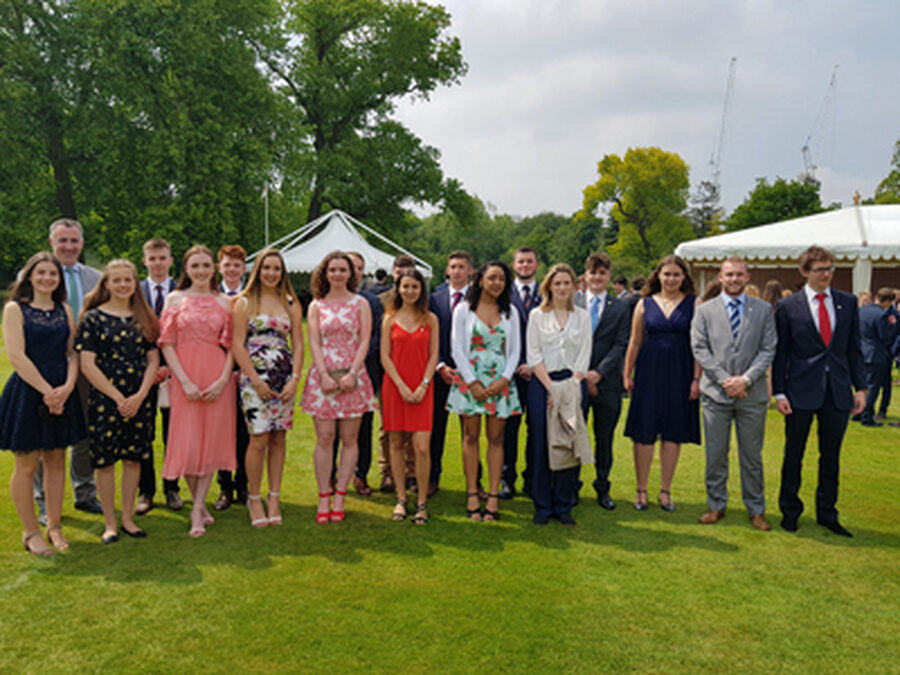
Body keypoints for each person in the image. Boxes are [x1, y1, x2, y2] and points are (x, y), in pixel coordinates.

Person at [773, 245, 867, 537]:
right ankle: (790, 511)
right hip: (800, 389)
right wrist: (779, 392)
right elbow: (781, 353)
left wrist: (861, 387)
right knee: (794, 454)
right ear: (804, 272)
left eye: (829, 268)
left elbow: (854, 349)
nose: (826, 274)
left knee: (831, 455)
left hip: (837, 390)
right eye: (819, 269)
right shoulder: (789, 307)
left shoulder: (848, 302)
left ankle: (827, 512)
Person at [1, 252, 85, 555]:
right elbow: (16, 356)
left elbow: (71, 352)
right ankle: (30, 531)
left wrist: (67, 387)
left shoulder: (64, 309)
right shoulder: (15, 309)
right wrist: (47, 391)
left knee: (56, 460)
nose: (48, 278)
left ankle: (54, 525)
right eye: (42, 273)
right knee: (26, 464)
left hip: (62, 389)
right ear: (30, 277)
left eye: (53, 274)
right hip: (29, 392)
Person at [76, 260, 160, 543]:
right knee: (106, 462)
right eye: (117, 280)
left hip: (139, 400)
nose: (124, 285)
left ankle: (128, 519)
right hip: (105, 400)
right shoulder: (92, 318)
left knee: (134, 459)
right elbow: (87, 364)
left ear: (135, 283)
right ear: (107, 283)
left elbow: (153, 360)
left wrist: (139, 396)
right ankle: (110, 523)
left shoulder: (145, 317)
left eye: (129, 280)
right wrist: (118, 397)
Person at [690, 257, 777, 531]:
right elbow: (700, 348)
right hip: (716, 394)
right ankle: (716, 505)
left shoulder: (763, 310)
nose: (734, 279)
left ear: (747, 276)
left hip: (752, 394)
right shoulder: (704, 310)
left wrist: (747, 379)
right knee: (716, 454)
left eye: (739, 275)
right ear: (720, 277)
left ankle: (756, 509)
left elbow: (768, 348)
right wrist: (726, 379)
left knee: (752, 455)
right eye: (729, 275)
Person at [158, 245, 237, 537]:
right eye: (195, 266)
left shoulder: (225, 302)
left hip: (217, 376)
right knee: (189, 442)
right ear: (186, 269)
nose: (201, 271)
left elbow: (231, 347)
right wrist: (185, 381)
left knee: (210, 441)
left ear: (213, 268)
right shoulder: (174, 299)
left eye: (206, 265)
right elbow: (166, 342)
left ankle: (196, 509)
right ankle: (199, 504)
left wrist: (222, 380)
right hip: (184, 376)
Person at [301, 251, 377, 523]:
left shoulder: (360, 304)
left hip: (353, 377)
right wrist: (323, 375)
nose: (337, 274)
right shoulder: (316, 305)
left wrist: (353, 374)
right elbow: (315, 343)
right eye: (332, 270)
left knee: (350, 439)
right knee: (324, 438)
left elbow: (365, 341)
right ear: (325, 273)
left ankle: (341, 496)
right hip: (324, 378)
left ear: (351, 273)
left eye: (342, 270)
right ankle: (324, 495)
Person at [34, 219, 102, 522]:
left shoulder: (96, 279)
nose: (68, 246)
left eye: (74, 241)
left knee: (86, 431)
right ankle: (44, 500)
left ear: (82, 244)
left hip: (88, 367)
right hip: (47, 368)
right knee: (44, 434)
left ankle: (85, 492)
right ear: (51, 243)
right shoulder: (35, 275)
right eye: (62, 241)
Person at [232, 250, 304, 527]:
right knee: (258, 438)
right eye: (267, 268)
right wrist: (256, 380)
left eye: (277, 268)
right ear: (258, 271)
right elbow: (237, 345)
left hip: (284, 377)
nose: (272, 273)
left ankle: (274, 496)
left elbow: (298, 344)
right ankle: (253, 497)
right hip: (254, 380)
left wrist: (295, 378)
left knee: (278, 439)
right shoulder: (245, 302)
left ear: (282, 272)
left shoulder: (290, 302)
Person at [623, 255, 700, 512]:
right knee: (644, 432)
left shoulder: (695, 303)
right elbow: (634, 342)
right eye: (666, 274)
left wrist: (696, 378)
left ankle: (665, 491)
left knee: (673, 433)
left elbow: (699, 346)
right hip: (648, 373)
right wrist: (627, 374)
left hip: (681, 373)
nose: (671, 279)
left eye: (676, 275)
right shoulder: (644, 304)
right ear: (658, 276)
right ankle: (641, 491)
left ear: (684, 277)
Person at [447, 261, 523, 521]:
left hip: (499, 382)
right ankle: (471, 493)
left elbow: (514, 351)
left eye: (501, 279)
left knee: (497, 439)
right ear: (480, 280)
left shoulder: (511, 311)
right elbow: (456, 348)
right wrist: (472, 382)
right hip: (471, 381)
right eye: (492, 278)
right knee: (470, 436)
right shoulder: (463, 310)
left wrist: (504, 380)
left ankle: (492, 496)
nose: (497, 283)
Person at [526, 263, 592, 525]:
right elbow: (533, 354)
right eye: (558, 283)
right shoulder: (536, 316)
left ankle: (564, 505)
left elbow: (585, 354)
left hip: (574, 383)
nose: (563, 288)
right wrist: (551, 388)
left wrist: (571, 387)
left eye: (567, 283)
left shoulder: (583, 317)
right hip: (543, 384)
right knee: (543, 443)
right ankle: (542, 505)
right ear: (549, 287)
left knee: (568, 442)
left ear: (574, 286)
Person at [381, 269, 439, 524]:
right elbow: (385, 356)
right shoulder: (388, 320)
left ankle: (422, 502)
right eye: (405, 286)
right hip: (395, 388)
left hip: (422, 388)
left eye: (415, 287)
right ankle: (401, 499)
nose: (410, 291)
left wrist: (424, 384)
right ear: (398, 288)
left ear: (421, 289)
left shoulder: (431, 319)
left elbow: (434, 355)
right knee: (395, 443)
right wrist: (402, 386)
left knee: (421, 447)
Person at [575, 253, 631, 510]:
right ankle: (571, 486)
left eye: (602, 273)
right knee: (574, 435)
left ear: (609, 276)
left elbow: (622, 343)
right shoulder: (572, 302)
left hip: (607, 383)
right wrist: (583, 373)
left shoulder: (620, 307)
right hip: (575, 381)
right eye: (593, 272)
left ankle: (602, 485)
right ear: (585, 275)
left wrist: (598, 373)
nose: (597, 277)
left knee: (604, 437)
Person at [137, 237, 182, 514]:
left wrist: (168, 366)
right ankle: (146, 491)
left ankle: (172, 488)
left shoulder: (183, 292)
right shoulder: (134, 291)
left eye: (162, 258)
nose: (157, 263)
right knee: (144, 434)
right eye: (152, 258)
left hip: (175, 373)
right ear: (145, 261)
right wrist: (151, 368)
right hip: (143, 375)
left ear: (170, 260)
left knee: (172, 434)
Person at [428, 250, 472, 497]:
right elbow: (430, 338)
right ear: (447, 270)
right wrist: (441, 366)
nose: (456, 271)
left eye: (461, 266)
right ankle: (433, 477)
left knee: (471, 433)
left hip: (470, 376)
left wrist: (467, 370)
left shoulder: (478, 300)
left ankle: (473, 483)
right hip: (441, 373)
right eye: (453, 266)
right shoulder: (435, 299)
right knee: (437, 429)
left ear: (470, 271)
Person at [501, 246, 542, 499]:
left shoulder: (546, 293)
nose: (525, 265)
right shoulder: (502, 294)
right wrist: (516, 363)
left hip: (539, 372)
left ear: (537, 265)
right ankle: (507, 478)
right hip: (510, 373)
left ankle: (533, 478)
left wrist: (532, 363)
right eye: (521, 262)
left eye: (529, 261)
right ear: (514, 266)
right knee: (508, 431)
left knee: (536, 429)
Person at [376, 254, 418, 492]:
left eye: (407, 268)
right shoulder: (381, 300)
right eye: (399, 269)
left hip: (415, 371)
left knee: (413, 428)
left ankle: (411, 472)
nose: (403, 272)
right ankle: (388, 472)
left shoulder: (423, 302)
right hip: (389, 373)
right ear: (393, 272)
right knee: (388, 428)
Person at [214, 245, 250, 511]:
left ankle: (244, 485)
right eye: (227, 265)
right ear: (220, 268)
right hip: (219, 372)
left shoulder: (251, 298)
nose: (232, 269)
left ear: (243, 268)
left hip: (248, 371)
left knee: (247, 432)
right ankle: (224, 487)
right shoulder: (213, 298)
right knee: (223, 431)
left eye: (237, 265)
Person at [856, 288, 897, 427]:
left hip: (861, 351)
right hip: (875, 353)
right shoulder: (881, 315)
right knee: (873, 386)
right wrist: (892, 327)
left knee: (861, 385)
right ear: (888, 301)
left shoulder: (861, 310)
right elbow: (884, 336)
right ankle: (867, 417)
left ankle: (858, 412)